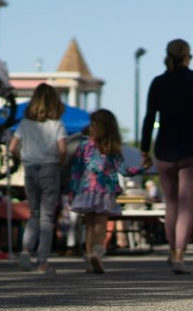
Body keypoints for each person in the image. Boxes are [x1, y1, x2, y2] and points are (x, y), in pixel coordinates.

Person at [140, 38, 193, 274]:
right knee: (187, 203)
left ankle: (171, 250)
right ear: (189, 55)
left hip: (165, 150)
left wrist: (144, 150)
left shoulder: (158, 82)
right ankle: (179, 254)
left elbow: (149, 119)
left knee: (171, 204)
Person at [67, 109, 140, 274]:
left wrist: (72, 192)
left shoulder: (84, 146)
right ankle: (97, 254)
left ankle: (88, 257)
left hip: (85, 190)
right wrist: (140, 169)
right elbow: (124, 170)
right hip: (104, 191)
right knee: (101, 224)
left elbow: (76, 170)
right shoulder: (112, 147)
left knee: (89, 226)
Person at [9, 82, 66, 273]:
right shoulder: (57, 125)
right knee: (47, 217)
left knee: (34, 213)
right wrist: (60, 162)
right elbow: (63, 150)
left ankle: (25, 249)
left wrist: (23, 157)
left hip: (30, 169)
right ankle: (42, 261)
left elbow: (12, 147)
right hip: (50, 169)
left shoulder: (24, 124)